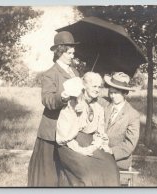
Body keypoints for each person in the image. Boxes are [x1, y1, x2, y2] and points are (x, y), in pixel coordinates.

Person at [28, 31, 80, 187]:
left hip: (70, 128)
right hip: (52, 130)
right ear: (60, 52)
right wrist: (63, 96)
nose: (72, 56)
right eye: (69, 53)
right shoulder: (50, 74)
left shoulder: (75, 72)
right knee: (48, 175)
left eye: (73, 53)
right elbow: (48, 100)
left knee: (66, 173)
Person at [56, 72, 120, 187]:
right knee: (89, 174)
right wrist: (76, 114)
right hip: (70, 146)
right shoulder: (73, 104)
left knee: (111, 168)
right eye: (94, 86)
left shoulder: (98, 108)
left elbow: (99, 132)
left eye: (99, 87)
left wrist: (95, 146)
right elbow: (64, 134)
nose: (97, 90)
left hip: (89, 144)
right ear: (85, 86)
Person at [103, 72, 140, 170]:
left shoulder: (132, 114)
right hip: (98, 156)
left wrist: (111, 151)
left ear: (125, 93)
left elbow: (130, 144)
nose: (112, 96)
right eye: (110, 92)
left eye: (116, 93)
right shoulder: (104, 104)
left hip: (118, 162)